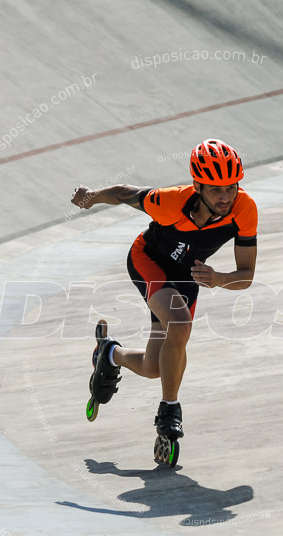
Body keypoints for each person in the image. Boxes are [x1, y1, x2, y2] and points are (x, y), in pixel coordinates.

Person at [70, 139, 258, 442]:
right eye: (215, 189)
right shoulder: (170, 202)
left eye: (231, 187)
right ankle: (169, 410)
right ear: (197, 186)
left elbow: (247, 275)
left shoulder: (245, 209)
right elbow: (123, 193)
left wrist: (219, 278)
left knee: (154, 366)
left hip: (189, 275)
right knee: (181, 325)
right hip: (147, 260)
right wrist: (91, 196)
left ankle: (110, 354)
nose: (225, 197)